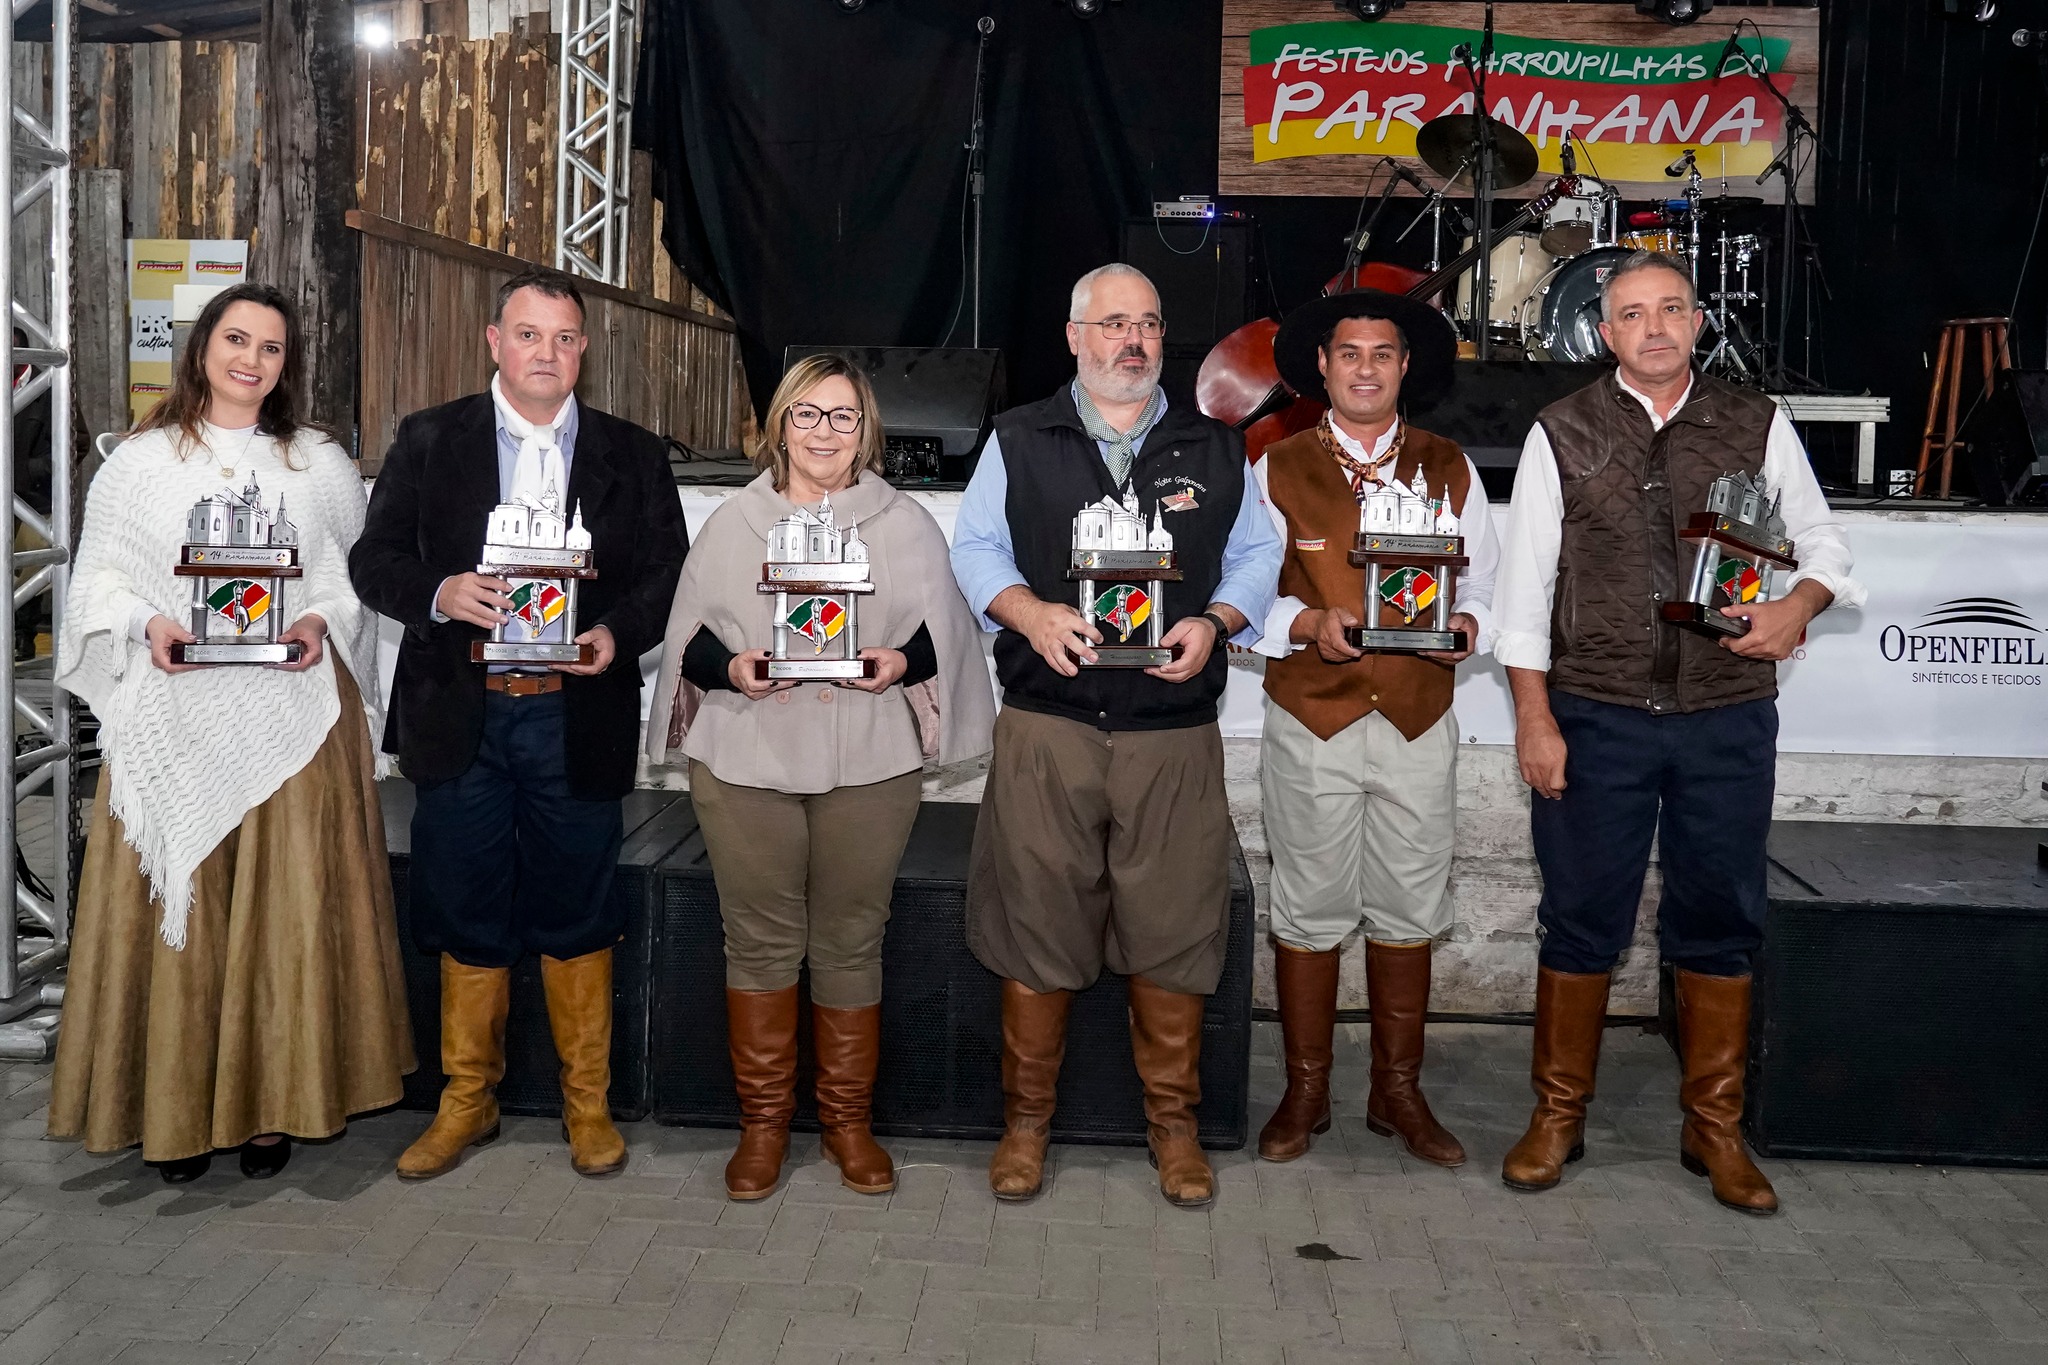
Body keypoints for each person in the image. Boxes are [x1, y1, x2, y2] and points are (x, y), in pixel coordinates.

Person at [1491, 251, 1863, 1215]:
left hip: (1725, 718)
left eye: (1671, 309)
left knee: (1722, 918)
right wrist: (1534, 715)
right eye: (1632, 314)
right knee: (1580, 917)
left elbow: (1823, 541)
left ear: (1699, 321)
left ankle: (1715, 1129)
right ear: (1603, 332)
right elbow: (1522, 594)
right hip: (1595, 714)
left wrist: (1803, 605)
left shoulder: (1756, 420)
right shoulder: (1560, 431)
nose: (1654, 328)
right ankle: (1558, 1115)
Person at [49, 283, 411, 1182]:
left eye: (272, 348)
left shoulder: (318, 463)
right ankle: (171, 1113)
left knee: (283, 921)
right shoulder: (138, 464)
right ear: (203, 346)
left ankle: (270, 1110)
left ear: (289, 365)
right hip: (174, 714)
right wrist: (147, 629)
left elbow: (346, 579)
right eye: (236, 339)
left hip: (292, 721)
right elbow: (97, 588)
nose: (252, 360)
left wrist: (318, 623)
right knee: (188, 920)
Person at [950, 263, 1283, 1208]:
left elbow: (1259, 552)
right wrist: (1027, 613)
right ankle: (1027, 1123)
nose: (1130, 341)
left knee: (1175, 930)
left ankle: (1174, 1129)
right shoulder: (1019, 437)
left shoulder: (1218, 444)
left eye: (1146, 324)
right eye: (1111, 326)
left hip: (1173, 731)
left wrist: (1217, 619)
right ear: (1074, 337)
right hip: (1049, 726)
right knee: (1034, 925)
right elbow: (975, 548)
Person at [350, 266, 689, 1180]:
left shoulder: (635, 452)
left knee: (580, 906)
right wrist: (438, 590)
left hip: (575, 717)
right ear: (494, 341)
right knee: (463, 905)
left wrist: (616, 634)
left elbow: (669, 575)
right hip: (461, 716)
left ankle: (588, 1103)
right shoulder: (428, 441)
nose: (548, 352)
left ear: (584, 350)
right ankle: (469, 1101)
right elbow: (371, 561)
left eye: (566, 337)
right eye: (530, 334)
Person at [645, 354, 995, 1202]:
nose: (824, 434)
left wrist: (894, 661)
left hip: (870, 760)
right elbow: (686, 636)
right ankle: (763, 1125)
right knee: (760, 939)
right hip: (747, 756)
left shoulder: (904, 521)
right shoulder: (736, 520)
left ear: (865, 428)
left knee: (850, 937)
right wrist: (735, 668)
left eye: (842, 417)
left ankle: (846, 1123)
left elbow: (943, 634)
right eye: (807, 415)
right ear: (778, 424)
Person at [1250, 291, 1497, 1168]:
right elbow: (1246, 601)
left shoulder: (1450, 463)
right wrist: (1303, 625)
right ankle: (1306, 1089)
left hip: (1419, 717)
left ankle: (1398, 1092)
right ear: (1322, 365)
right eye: (1348, 353)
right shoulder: (1274, 467)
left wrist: (1469, 627)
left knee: (1410, 906)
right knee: (1309, 910)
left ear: (1403, 366)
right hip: (1312, 717)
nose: (1364, 368)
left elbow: (1484, 587)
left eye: (1381, 354)